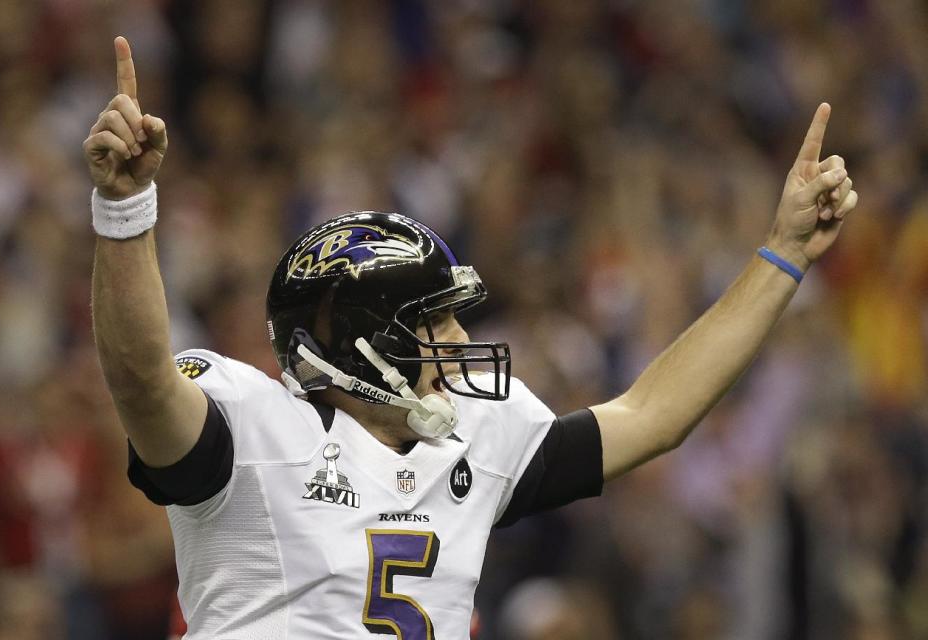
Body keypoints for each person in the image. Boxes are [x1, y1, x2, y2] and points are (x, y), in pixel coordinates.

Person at [83, 36, 858, 639]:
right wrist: (125, 210)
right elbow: (142, 379)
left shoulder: (474, 440)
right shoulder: (249, 432)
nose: (458, 341)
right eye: (434, 322)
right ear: (359, 343)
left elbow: (655, 413)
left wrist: (781, 256)